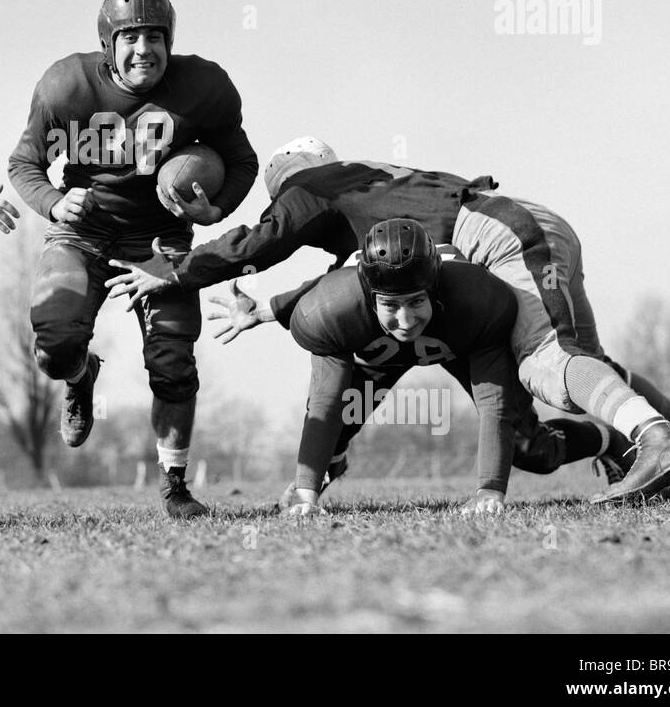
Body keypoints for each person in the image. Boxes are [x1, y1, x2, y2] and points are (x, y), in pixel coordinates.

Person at [107, 137, 670, 502]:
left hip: (499, 234)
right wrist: (269, 309)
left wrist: (177, 270)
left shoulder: (313, 187)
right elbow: (341, 283)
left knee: (548, 362)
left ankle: (656, 440)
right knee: (571, 371)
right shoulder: (366, 197)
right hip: (505, 231)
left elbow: (257, 241)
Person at [7, 0, 258, 517]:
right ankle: (81, 377)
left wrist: (217, 210)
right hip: (84, 233)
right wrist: (54, 203)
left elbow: (242, 161)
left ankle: (175, 485)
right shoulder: (64, 86)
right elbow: (22, 165)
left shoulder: (205, 87)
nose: (144, 48)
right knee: (53, 345)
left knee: (172, 362)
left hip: (160, 243)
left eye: (154, 36)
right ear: (107, 45)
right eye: (130, 37)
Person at [209, 219, 525, 513]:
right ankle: (330, 466)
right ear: (369, 298)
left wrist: (490, 491)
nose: (405, 320)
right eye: (390, 304)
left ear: (435, 291)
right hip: (378, 353)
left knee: (529, 445)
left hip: (454, 340)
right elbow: (324, 406)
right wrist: (306, 493)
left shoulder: (475, 300)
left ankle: (574, 437)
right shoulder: (333, 309)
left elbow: (495, 406)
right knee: (339, 423)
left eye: (416, 301)